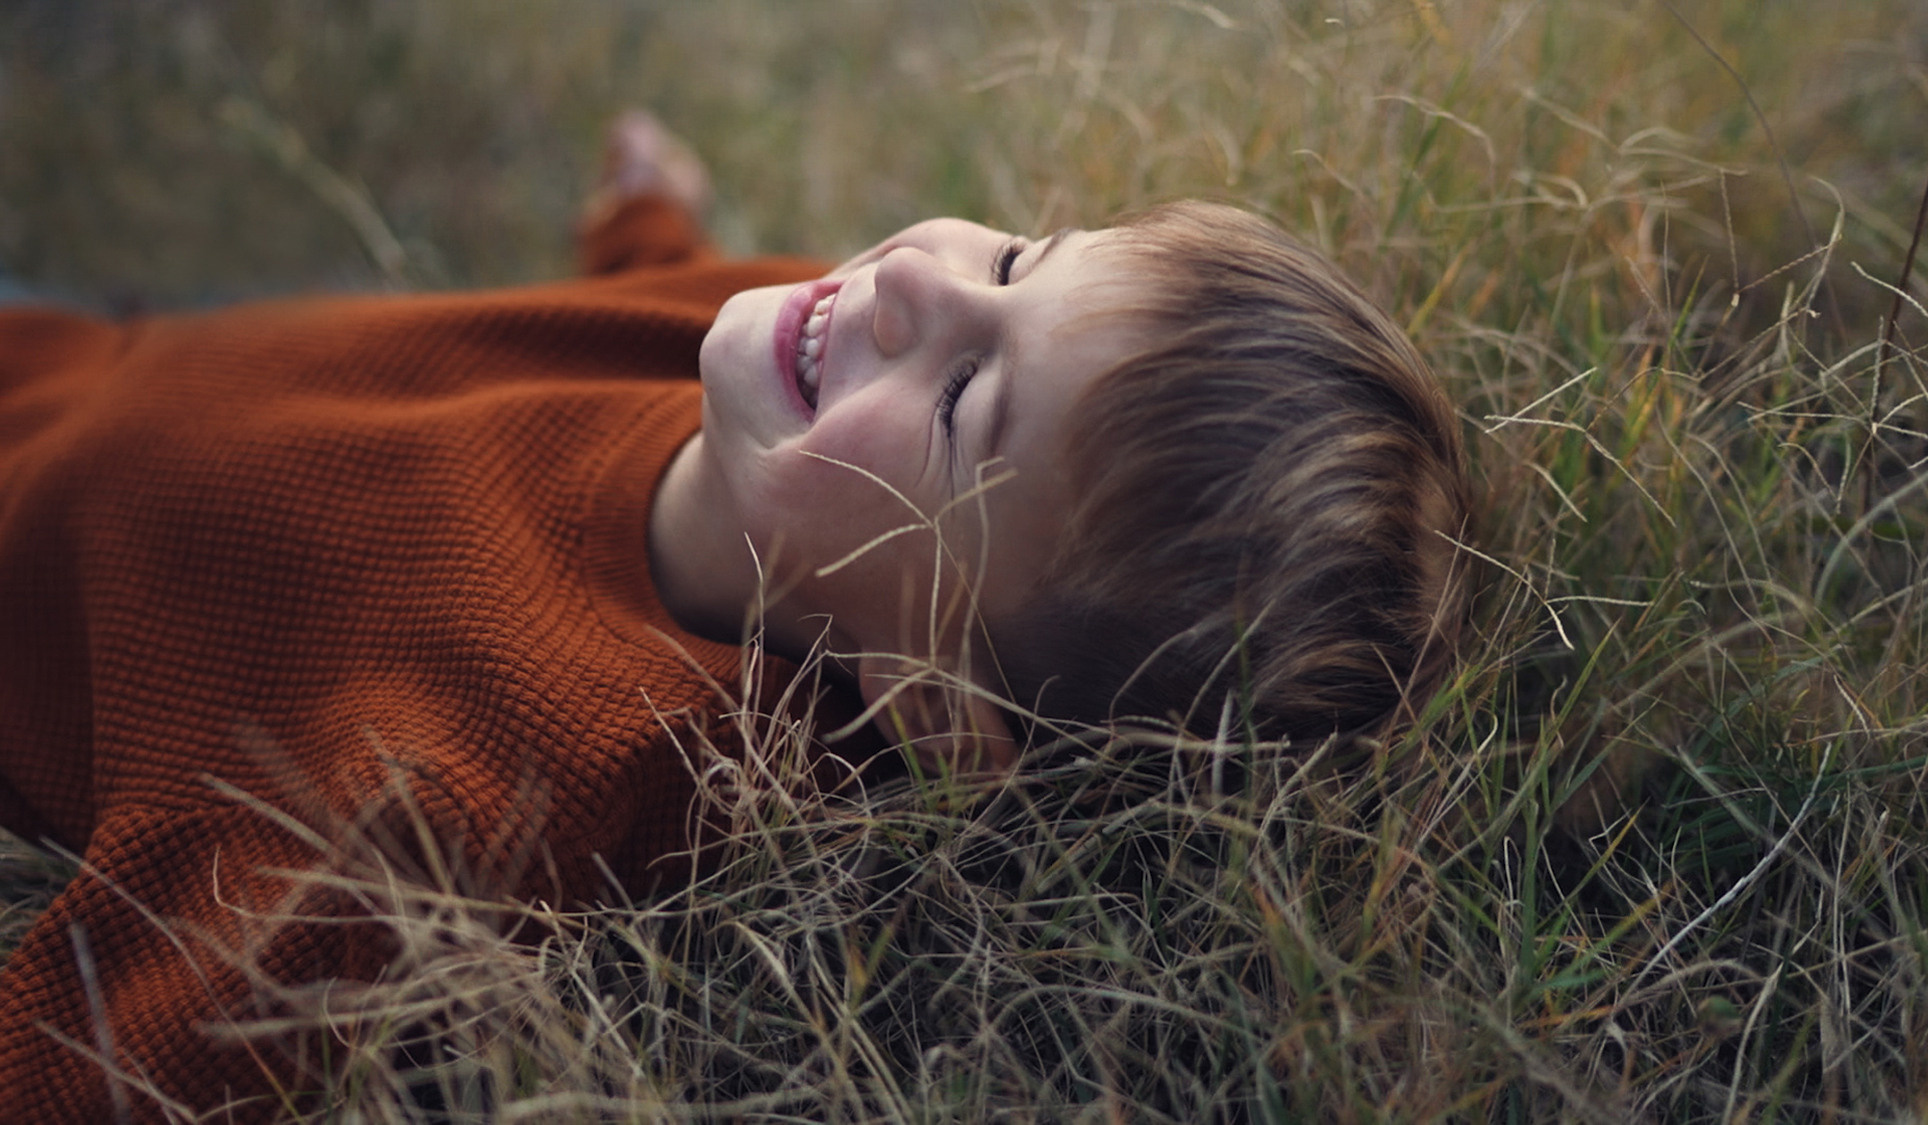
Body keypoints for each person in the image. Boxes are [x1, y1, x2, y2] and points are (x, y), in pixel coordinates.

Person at [0, 111, 1471, 1120]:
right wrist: (650, 210)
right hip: (86, 349)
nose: (913, 280)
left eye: (966, 403)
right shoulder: (795, 374)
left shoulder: (474, 787)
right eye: (1021, 259)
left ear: (933, 700)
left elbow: (91, 1057)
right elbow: (658, 291)